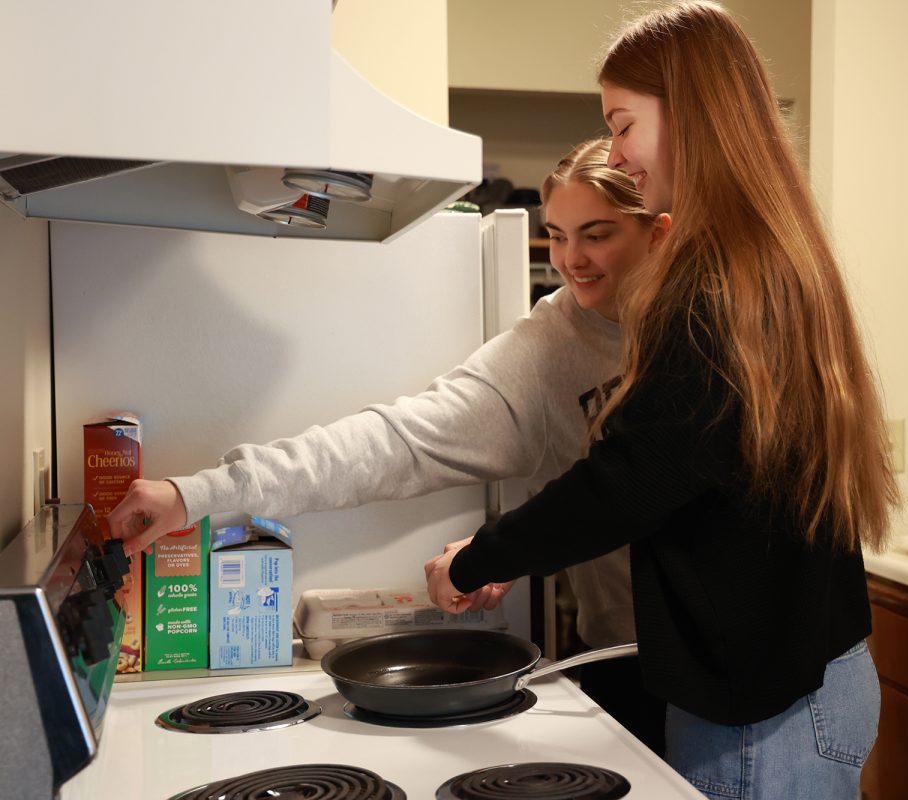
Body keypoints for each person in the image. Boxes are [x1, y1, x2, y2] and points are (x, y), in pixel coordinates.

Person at [423, 3, 901, 799]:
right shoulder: (765, 253)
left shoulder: (716, 282)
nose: (616, 153)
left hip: (764, 710)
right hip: (800, 680)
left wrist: (478, 558)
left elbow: (628, 479)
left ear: (690, 111)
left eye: (622, 125)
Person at [106, 137, 672, 754]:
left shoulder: (707, 334)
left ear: (657, 233)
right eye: (557, 235)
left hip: (734, 669)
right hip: (622, 656)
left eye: (596, 235)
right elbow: (392, 442)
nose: (571, 259)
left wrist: (509, 547)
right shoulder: (550, 348)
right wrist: (196, 493)